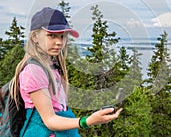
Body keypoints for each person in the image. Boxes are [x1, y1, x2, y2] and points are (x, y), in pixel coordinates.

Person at [9, 7, 122, 136]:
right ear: (35, 37)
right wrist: (87, 121)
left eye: (62, 36)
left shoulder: (52, 66)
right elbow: (50, 120)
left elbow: (60, 107)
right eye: (51, 35)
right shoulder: (34, 71)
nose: (59, 42)